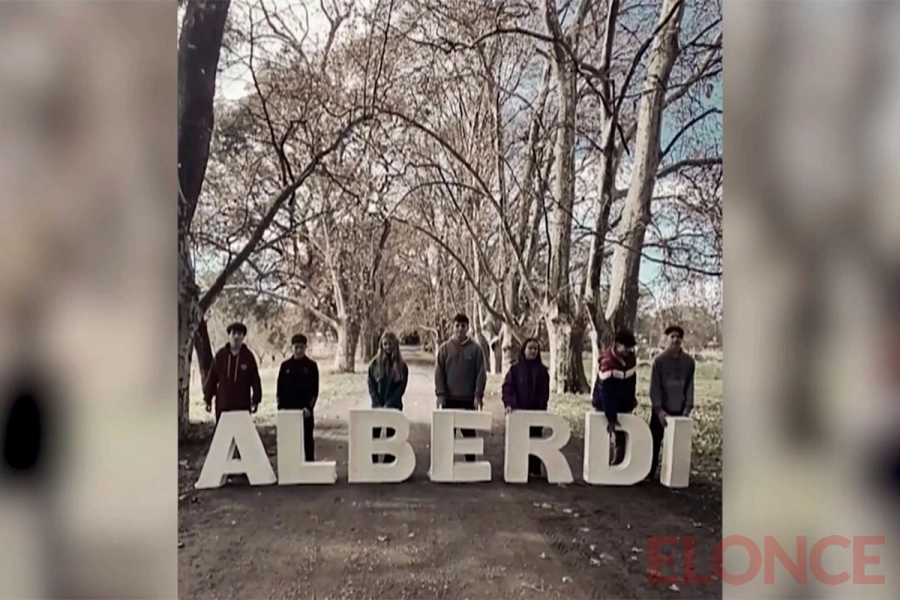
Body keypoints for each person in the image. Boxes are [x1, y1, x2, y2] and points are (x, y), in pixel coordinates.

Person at [434, 313, 487, 462]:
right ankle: (445, 463)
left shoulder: (476, 349)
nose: (460, 329)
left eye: (463, 326)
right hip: (449, 399)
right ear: (453, 327)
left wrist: (478, 395)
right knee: (447, 435)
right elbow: (439, 373)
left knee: (469, 435)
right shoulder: (445, 349)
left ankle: (471, 463)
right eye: (457, 326)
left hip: (468, 400)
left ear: (467, 328)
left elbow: (481, 373)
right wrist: (440, 394)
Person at [648, 325, 695, 481]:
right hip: (661, 410)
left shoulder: (689, 362)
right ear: (666, 339)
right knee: (654, 441)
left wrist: (687, 408)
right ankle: (649, 472)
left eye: (678, 337)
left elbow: (690, 386)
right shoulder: (659, 361)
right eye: (672, 337)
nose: (675, 340)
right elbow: (655, 387)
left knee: (677, 445)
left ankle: (676, 474)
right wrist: (659, 410)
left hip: (679, 410)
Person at [501, 337, 551, 480]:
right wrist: (509, 404)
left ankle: (534, 470)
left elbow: (544, 393)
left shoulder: (542, 371)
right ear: (524, 350)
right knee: (518, 441)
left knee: (535, 440)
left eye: (536, 349)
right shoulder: (515, 369)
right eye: (530, 348)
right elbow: (507, 388)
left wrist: (541, 408)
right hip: (518, 411)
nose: (533, 351)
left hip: (536, 412)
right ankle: (517, 469)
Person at [591, 329, 638, 465]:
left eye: (630, 347)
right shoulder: (607, 362)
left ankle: (618, 463)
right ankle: (600, 463)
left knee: (621, 436)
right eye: (626, 346)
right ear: (617, 345)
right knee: (603, 434)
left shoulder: (631, 361)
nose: (628, 350)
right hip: (603, 404)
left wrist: (631, 402)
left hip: (623, 405)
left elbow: (632, 384)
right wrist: (611, 418)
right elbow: (606, 392)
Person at [204, 322, 262, 424]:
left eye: (239, 334)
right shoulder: (220, 356)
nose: (236, 337)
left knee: (241, 432)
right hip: (223, 405)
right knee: (223, 433)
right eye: (233, 333)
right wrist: (207, 399)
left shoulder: (248, 357)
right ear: (229, 336)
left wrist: (256, 400)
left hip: (242, 406)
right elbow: (212, 378)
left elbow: (255, 380)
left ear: (243, 337)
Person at [367, 332, 409, 464]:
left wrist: (390, 404)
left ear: (395, 345)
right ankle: (373, 462)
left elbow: (401, 388)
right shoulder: (374, 364)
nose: (387, 347)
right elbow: (371, 384)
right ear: (381, 345)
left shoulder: (402, 366)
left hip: (394, 406)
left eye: (390, 344)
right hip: (377, 405)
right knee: (375, 436)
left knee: (393, 437)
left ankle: (389, 463)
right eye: (385, 344)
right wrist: (376, 402)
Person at [276, 333, 319, 462]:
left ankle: (310, 464)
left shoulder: (311, 366)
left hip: (305, 410)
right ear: (292, 348)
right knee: (290, 440)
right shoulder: (285, 366)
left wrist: (309, 408)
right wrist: (281, 408)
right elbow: (280, 389)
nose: (299, 350)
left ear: (305, 348)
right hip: (289, 410)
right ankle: (291, 465)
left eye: (301, 347)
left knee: (307, 439)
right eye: (296, 347)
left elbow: (315, 390)